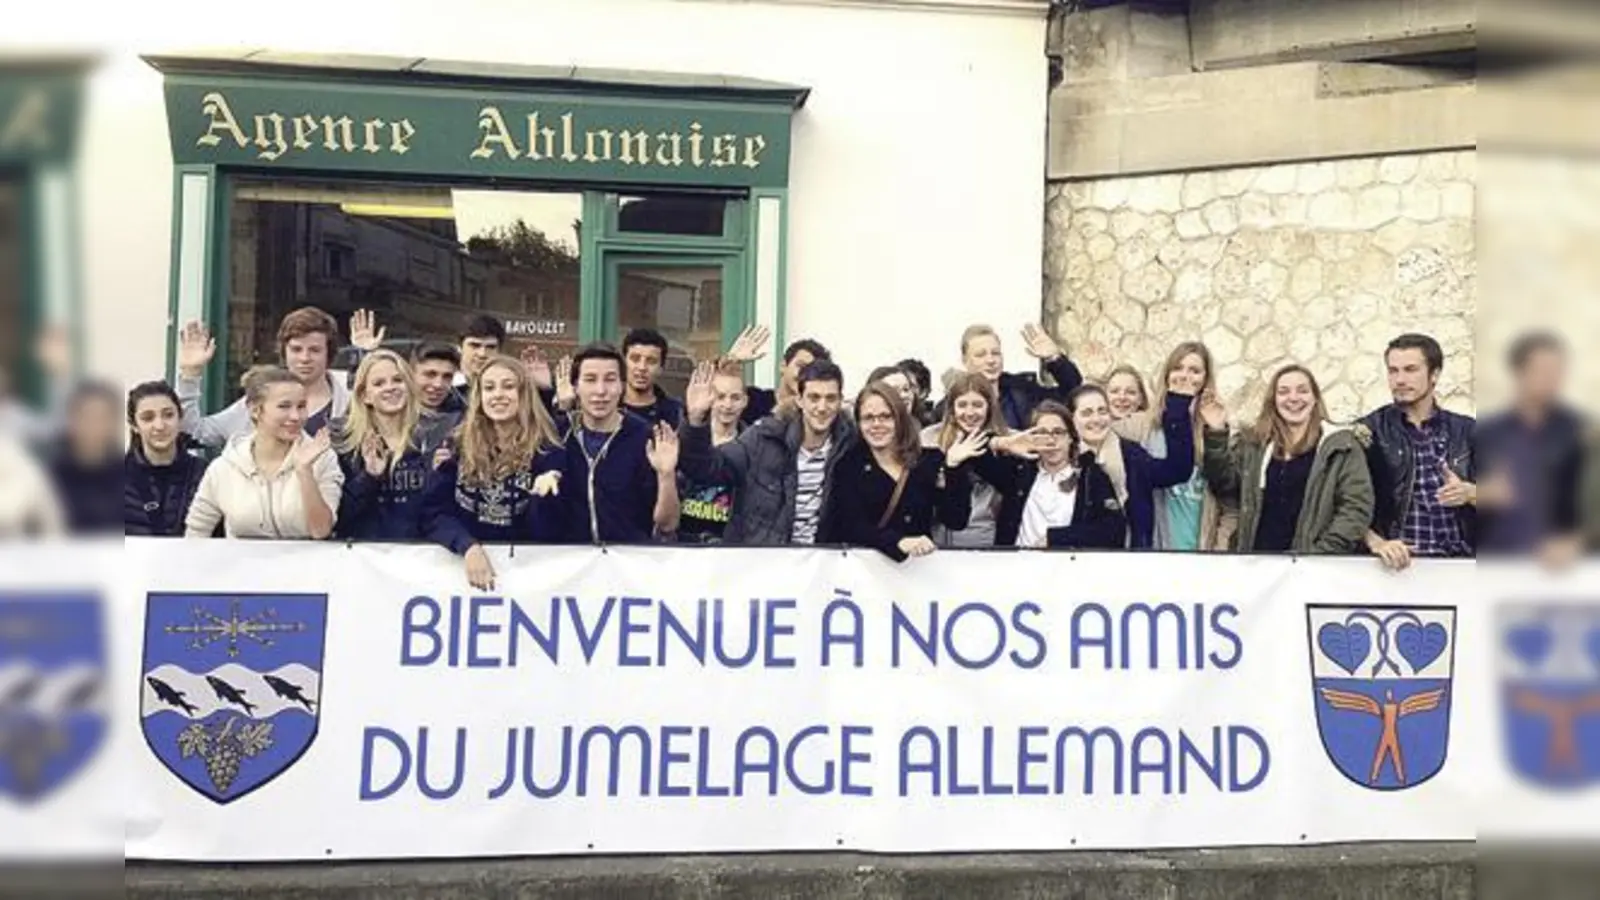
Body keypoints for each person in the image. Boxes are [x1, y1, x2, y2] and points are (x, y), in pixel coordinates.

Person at [419, 355, 566, 589]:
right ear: (480, 396)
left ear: (524, 394)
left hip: (528, 578)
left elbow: (552, 531)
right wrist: (467, 546)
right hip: (463, 573)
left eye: (508, 387)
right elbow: (434, 514)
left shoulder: (548, 450)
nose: (498, 395)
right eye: (489, 388)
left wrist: (543, 498)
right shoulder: (457, 444)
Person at [1200, 365, 1374, 554]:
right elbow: (1225, 485)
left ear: (1315, 398)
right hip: (1258, 562)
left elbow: (1355, 508)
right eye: (1283, 392)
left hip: (1314, 565)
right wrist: (1216, 432)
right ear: (1273, 400)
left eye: (1302, 390)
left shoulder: (1342, 447)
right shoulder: (1254, 445)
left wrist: (1320, 555)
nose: (1293, 398)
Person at [680, 357, 856, 545]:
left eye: (830, 399)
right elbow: (707, 469)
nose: (822, 407)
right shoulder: (764, 438)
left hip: (822, 558)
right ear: (799, 400)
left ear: (840, 401)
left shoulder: (850, 445)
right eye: (814, 398)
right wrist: (696, 419)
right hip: (764, 557)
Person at [819, 382, 984, 561]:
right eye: (868, 418)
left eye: (886, 416)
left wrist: (953, 468)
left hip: (918, 569)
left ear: (899, 419)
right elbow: (851, 525)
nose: (877, 424)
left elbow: (956, 520)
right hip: (864, 569)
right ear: (858, 423)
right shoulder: (848, 466)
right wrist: (898, 542)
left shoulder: (927, 461)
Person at [184, 366, 344, 539]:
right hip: (242, 557)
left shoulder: (323, 459)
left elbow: (321, 530)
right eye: (284, 406)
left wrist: (305, 472)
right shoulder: (224, 467)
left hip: (307, 557)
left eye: (302, 406)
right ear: (255, 410)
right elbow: (196, 531)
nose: (296, 416)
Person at [1360, 334, 1476, 570]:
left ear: (1434, 374)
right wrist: (1377, 543)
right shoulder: (1369, 431)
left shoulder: (1467, 431)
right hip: (1395, 568)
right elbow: (1342, 503)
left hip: (1460, 567)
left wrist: (1471, 493)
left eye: (1410, 369)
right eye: (1393, 371)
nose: (1400, 380)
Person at [1474, 333, 1587, 566]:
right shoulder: (1488, 433)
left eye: (1558, 371)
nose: (1553, 379)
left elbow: (1589, 504)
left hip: (1557, 564)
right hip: (1497, 560)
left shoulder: (1577, 431)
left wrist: (1575, 541)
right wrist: (1479, 494)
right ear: (1519, 372)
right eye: (1543, 371)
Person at [1112, 343, 1235, 552]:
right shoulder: (1140, 426)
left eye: (1194, 370)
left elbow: (1230, 502)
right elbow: (1092, 430)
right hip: (1154, 550)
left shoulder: (1219, 431)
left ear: (1206, 379)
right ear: (1167, 375)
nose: (1185, 376)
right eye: (1178, 368)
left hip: (1200, 550)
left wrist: (1219, 546)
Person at [175, 307, 352, 446]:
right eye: (296, 349)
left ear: (329, 353)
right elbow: (195, 431)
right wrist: (190, 374)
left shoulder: (350, 400)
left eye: (314, 350)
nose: (305, 358)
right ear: (284, 351)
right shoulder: (260, 399)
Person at [560, 343, 681, 543]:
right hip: (569, 558)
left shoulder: (645, 437)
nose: (600, 391)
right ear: (575, 387)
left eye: (610, 380)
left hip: (629, 558)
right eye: (590, 380)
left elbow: (667, 525)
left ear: (623, 386)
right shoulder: (557, 435)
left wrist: (666, 475)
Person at [978, 400, 1131, 549]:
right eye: (1042, 433)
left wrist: (1055, 538)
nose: (1051, 441)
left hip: (1067, 563)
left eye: (1058, 432)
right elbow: (975, 457)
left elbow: (1114, 531)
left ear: (1071, 437)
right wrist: (1003, 443)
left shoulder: (1091, 475)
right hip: (1017, 562)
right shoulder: (1018, 472)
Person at [332, 350, 450, 541]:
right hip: (362, 553)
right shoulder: (344, 442)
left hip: (425, 552)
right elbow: (339, 517)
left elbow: (444, 512)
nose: (390, 388)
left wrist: (439, 476)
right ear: (365, 396)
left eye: (398, 380)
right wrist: (369, 477)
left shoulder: (438, 435)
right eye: (379, 383)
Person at [920, 373, 1008, 548]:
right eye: (962, 405)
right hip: (936, 539)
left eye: (977, 405)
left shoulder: (1007, 440)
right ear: (951, 408)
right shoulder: (929, 438)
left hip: (985, 537)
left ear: (989, 407)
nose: (970, 413)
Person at [945, 323, 1083, 431]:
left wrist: (1054, 359)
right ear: (965, 361)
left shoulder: (1023, 391)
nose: (991, 360)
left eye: (995, 353)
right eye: (981, 355)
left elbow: (1072, 392)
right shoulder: (951, 407)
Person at [677, 359, 748, 543]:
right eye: (720, 396)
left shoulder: (752, 445)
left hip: (730, 543)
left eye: (735, 398)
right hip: (685, 540)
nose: (728, 405)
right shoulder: (687, 438)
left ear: (745, 401)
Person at [124, 381, 208, 537]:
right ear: (134, 426)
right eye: (147, 418)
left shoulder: (206, 474)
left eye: (168, 415)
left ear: (180, 418)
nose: (160, 426)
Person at [43, 381, 124, 535]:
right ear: (71, 420)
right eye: (86, 417)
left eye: (102, 418)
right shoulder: (51, 476)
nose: (94, 426)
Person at [718, 324, 831, 425]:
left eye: (812, 370)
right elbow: (714, 398)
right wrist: (731, 361)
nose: (804, 374)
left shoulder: (815, 415)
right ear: (783, 366)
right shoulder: (754, 400)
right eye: (801, 366)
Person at [620, 328, 685, 427]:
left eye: (651, 361)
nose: (642, 367)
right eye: (635, 359)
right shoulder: (607, 406)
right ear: (624, 362)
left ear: (661, 368)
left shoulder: (676, 412)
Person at [897, 357, 936, 425]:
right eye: (896, 387)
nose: (902, 394)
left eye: (907, 388)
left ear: (923, 392)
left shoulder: (932, 427)